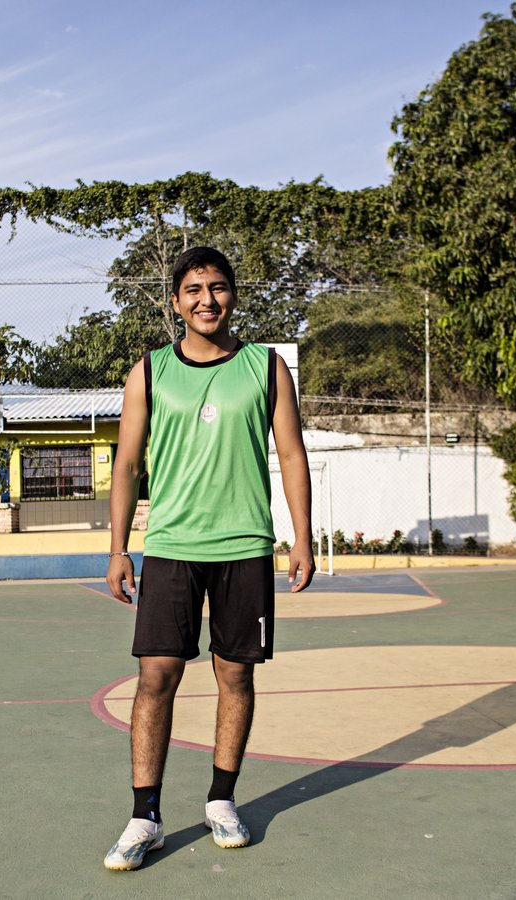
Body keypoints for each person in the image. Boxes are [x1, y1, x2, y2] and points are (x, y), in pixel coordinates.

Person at [102, 246, 315, 871]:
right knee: (156, 677)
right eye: (193, 289)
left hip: (245, 547)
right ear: (176, 301)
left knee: (236, 676)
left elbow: (293, 455)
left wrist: (301, 538)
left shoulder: (267, 368)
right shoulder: (148, 372)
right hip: (170, 547)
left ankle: (222, 799)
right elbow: (128, 465)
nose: (206, 299)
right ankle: (145, 815)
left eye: (217, 287)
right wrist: (119, 547)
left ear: (233, 295)